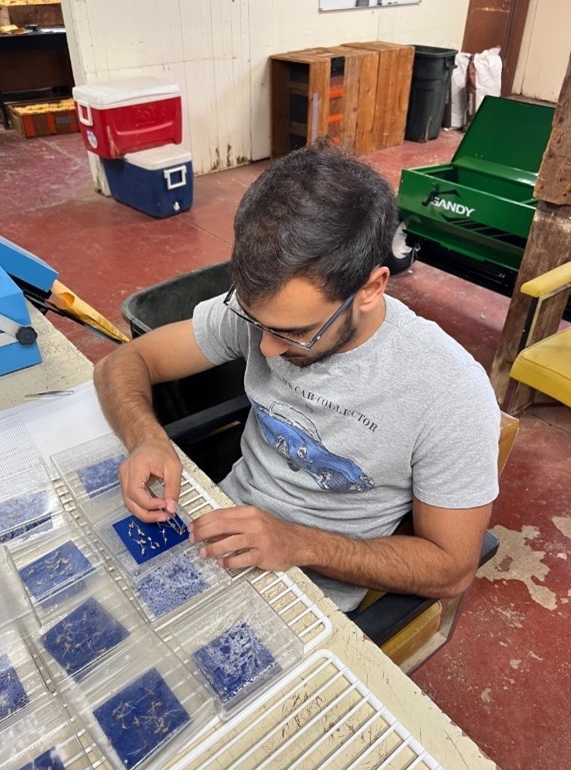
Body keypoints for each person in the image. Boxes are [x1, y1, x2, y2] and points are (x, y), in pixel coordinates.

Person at [94, 141, 501, 613]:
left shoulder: (449, 393)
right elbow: (121, 364)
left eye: (296, 333)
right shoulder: (269, 312)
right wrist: (147, 438)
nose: (267, 349)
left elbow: (452, 568)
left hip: (308, 597)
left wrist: (298, 544)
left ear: (370, 289)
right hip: (215, 533)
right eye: (255, 322)